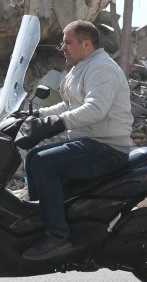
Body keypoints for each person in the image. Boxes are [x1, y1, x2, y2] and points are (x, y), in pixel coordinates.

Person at [18, 20, 134, 261]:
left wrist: (57, 123)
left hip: (108, 148)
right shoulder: (82, 67)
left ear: (87, 44)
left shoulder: (101, 68)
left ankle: (57, 236)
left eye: (68, 43)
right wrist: (36, 115)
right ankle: (41, 222)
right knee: (33, 158)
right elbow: (69, 105)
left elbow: (95, 109)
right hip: (90, 142)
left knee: (44, 164)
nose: (62, 47)